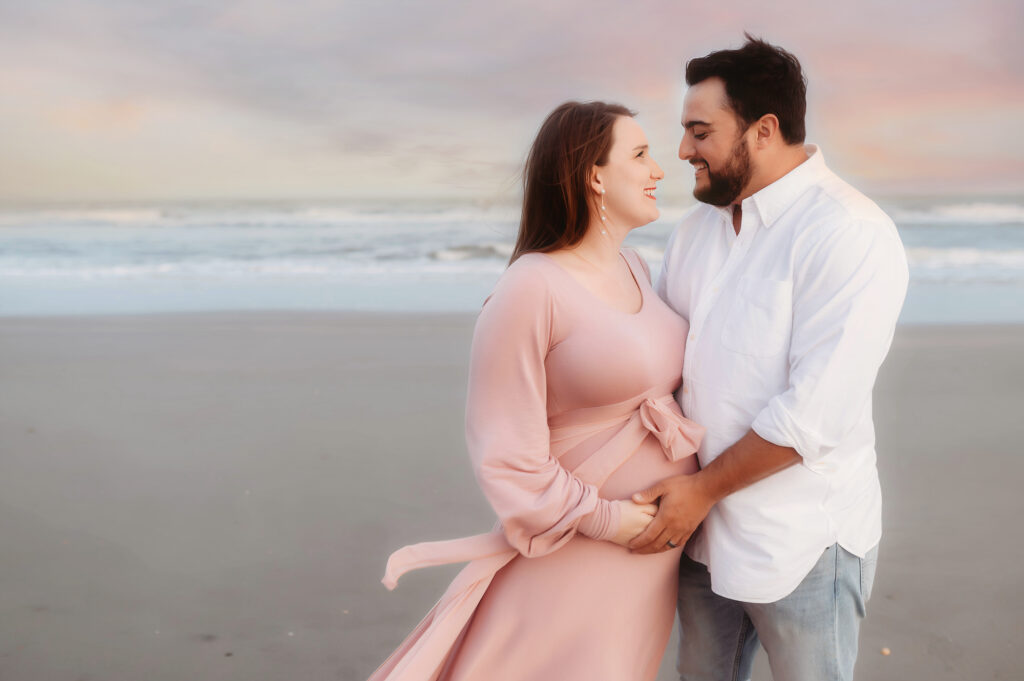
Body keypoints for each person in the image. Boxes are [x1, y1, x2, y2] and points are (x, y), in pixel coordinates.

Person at [367, 101, 705, 681]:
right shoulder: (530, 288)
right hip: (579, 549)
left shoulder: (636, 267)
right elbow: (506, 454)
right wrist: (606, 520)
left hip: (644, 564)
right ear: (594, 175)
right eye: (641, 154)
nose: (659, 170)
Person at [628, 36, 910, 681]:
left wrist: (699, 490)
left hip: (800, 539)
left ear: (763, 130)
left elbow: (816, 414)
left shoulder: (848, 232)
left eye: (700, 131)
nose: (681, 151)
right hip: (698, 530)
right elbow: (659, 357)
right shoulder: (698, 228)